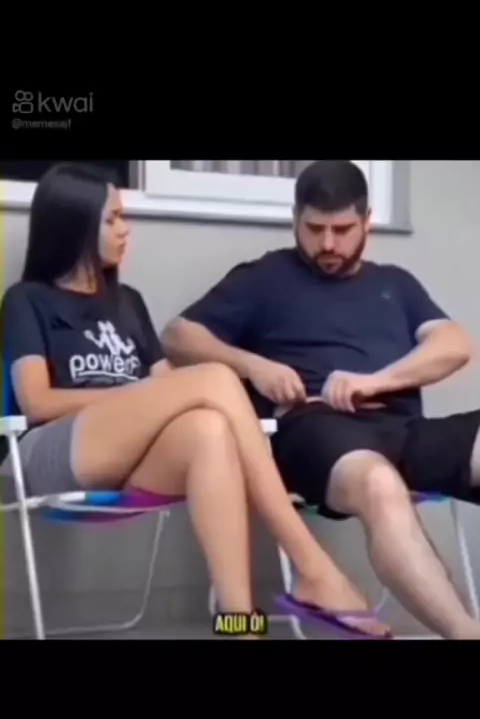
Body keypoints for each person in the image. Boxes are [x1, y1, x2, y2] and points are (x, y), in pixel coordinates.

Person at [0, 161, 392, 640]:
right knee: (213, 378)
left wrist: (154, 397)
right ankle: (314, 567)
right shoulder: (27, 300)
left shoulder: (128, 303)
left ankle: (238, 624)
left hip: (130, 458)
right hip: (54, 453)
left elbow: (171, 389)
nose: (125, 228)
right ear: (76, 224)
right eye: (113, 218)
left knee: (209, 428)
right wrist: (134, 395)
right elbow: (36, 402)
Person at [161, 159, 480, 640]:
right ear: (295, 220)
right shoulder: (264, 278)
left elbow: (454, 345)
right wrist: (254, 366)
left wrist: (374, 382)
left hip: (404, 429)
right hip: (314, 428)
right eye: (314, 229)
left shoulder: (395, 284)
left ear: (367, 222)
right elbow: (177, 336)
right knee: (377, 482)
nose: (328, 244)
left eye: (342, 229)